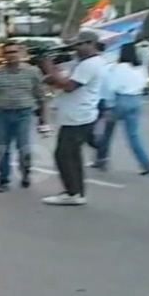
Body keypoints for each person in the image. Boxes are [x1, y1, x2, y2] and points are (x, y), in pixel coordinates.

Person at [41, 30, 106, 206]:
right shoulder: (82, 62)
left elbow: (69, 86)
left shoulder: (91, 64)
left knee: (64, 155)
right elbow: (59, 79)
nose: (75, 48)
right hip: (76, 115)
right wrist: (52, 73)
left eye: (79, 44)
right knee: (72, 156)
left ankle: (72, 193)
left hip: (78, 117)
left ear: (91, 44)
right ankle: (76, 192)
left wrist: (48, 65)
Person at [0, 43, 45, 192]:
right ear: (3, 55)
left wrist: (43, 118)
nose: (11, 55)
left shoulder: (32, 72)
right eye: (7, 52)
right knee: (3, 147)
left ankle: (26, 173)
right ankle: (3, 180)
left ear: (21, 53)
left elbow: (40, 95)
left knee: (24, 147)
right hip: (1, 113)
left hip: (24, 112)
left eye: (14, 52)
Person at [94, 43, 149, 174]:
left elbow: (111, 87)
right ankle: (145, 162)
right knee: (133, 135)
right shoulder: (141, 68)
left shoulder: (119, 68)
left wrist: (109, 106)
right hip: (136, 100)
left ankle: (101, 159)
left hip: (121, 100)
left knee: (107, 132)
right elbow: (144, 84)